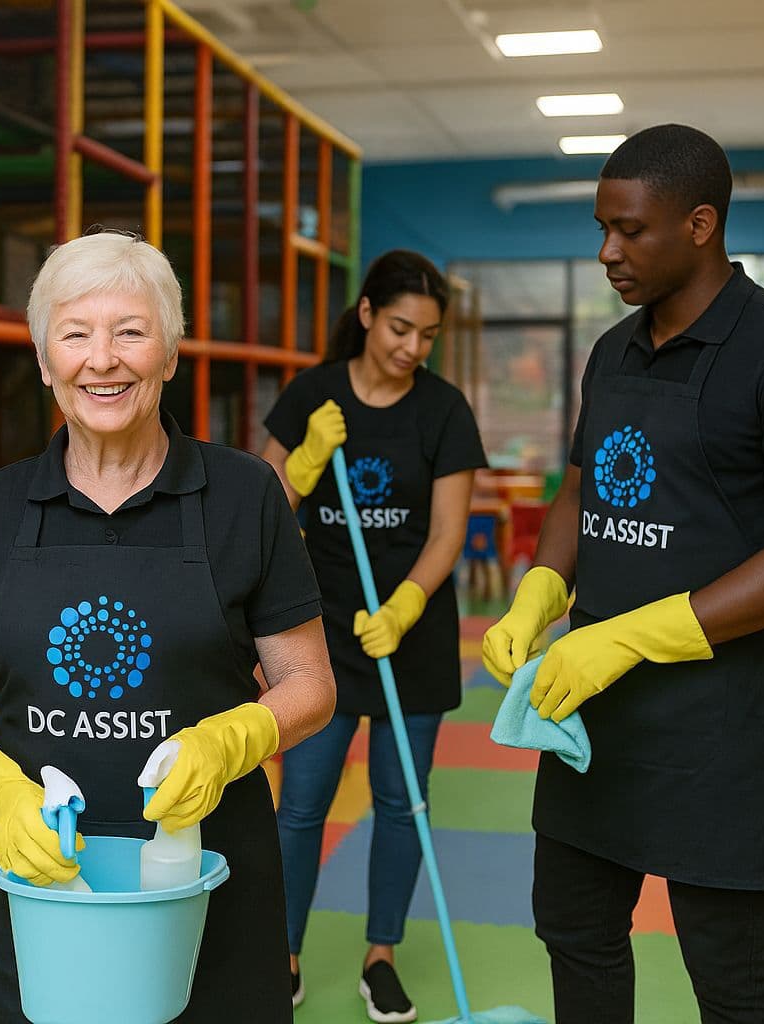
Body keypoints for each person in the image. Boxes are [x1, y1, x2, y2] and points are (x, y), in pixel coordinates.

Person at [483, 125, 764, 1024]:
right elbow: (580, 492)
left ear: (701, 225)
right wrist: (540, 593)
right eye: (601, 228)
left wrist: (627, 634)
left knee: (729, 975)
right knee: (574, 932)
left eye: (630, 230)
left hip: (718, 726)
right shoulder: (612, 352)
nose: (608, 252)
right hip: (590, 713)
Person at [0, 230, 336, 1022]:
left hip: (204, 877)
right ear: (45, 361)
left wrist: (230, 740)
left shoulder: (245, 496)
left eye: (131, 331)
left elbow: (310, 684)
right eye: (75, 334)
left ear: (170, 354)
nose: (101, 359)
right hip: (34, 885)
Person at [261, 250, 486, 1023]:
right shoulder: (311, 396)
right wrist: (308, 461)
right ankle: (282, 957)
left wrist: (405, 608)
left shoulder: (445, 411)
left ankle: (380, 956)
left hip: (409, 634)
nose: (411, 348)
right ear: (365, 314)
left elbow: (449, 533)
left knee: (403, 804)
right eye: (399, 327)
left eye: (427, 335)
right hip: (317, 636)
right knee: (301, 807)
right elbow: (263, 513)